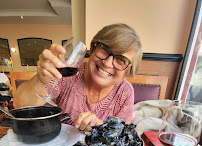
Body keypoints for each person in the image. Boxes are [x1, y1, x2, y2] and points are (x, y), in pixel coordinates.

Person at [13, 23, 143, 131]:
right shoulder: (67, 74)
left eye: (121, 59)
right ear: (93, 48)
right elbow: (20, 106)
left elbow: (123, 134)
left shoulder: (124, 91)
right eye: (105, 49)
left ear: (128, 70)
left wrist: (100, 128)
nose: (107, 63)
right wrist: (40, 80)